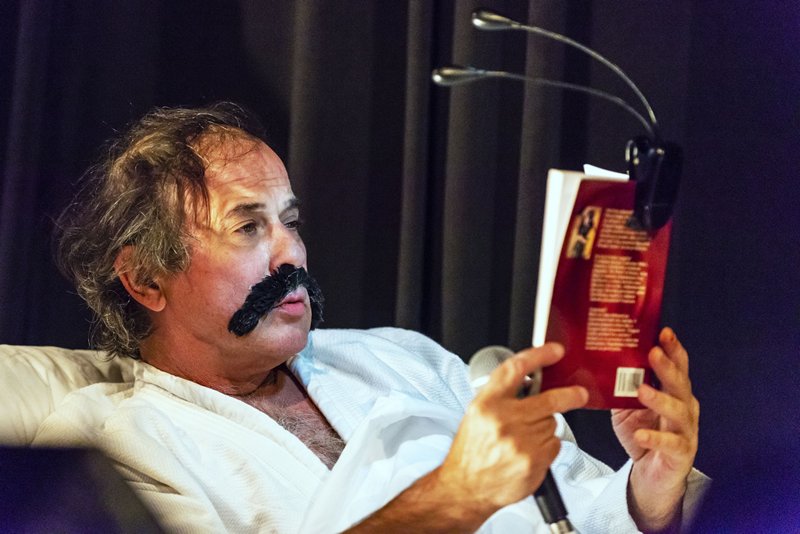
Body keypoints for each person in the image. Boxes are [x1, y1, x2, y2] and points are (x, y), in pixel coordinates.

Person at [36, 102, 708, 533]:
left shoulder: (402, 358)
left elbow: (575, 514)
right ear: (145, 278)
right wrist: (452, 498)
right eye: (247, 227)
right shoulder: (108, 444)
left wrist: (649, 491)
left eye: (290, 222)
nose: (290, 254)